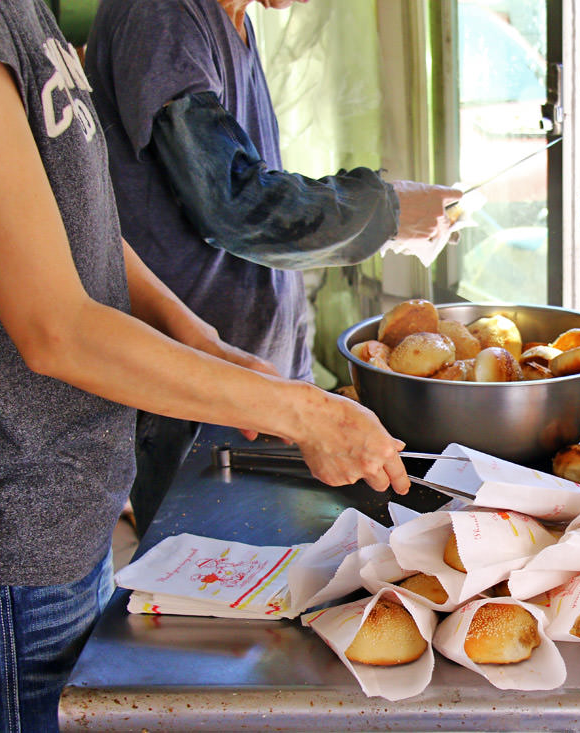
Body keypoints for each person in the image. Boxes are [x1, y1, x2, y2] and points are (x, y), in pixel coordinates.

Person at [0, 1, 414, 728]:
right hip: (2, 536)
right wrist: (301, 409)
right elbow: (54, 329)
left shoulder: (24, 13)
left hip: (75, 507)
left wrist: (198, 337)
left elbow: (78, 223)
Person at [83, 0, 461, 538]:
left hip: (267, 375)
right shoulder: (160, 15)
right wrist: (386, 212)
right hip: (200, 395)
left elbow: (260, 191)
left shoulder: (235, 21)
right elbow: (233, 204)